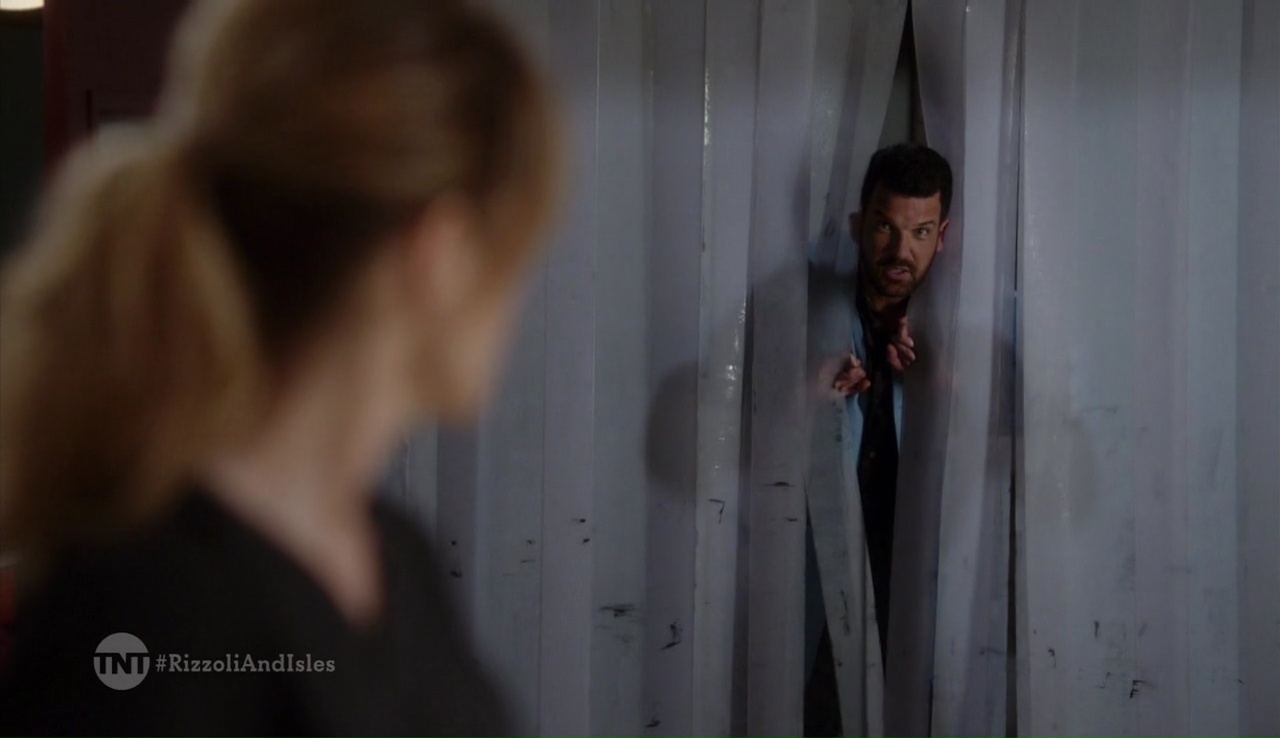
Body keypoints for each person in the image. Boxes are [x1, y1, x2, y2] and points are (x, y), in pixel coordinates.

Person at [0, 0, 558, 735]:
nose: (519, 300)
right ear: (440, 253)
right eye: (515, 253)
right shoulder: (145, 610)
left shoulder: (397, 556)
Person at [804, 143, 952, 736]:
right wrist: (806, 397)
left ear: (943, 236)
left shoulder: (964, 326)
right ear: (857, 224)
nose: (900, 252)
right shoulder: (806, 311)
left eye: (920, 232)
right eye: (886, 227)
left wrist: (947, 387)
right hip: (820, 578)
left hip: (919, 580)